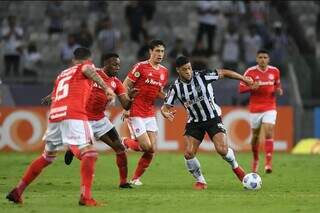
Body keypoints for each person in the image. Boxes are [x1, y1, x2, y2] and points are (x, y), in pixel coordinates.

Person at [6, 47, 115, 206]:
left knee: (47, 157)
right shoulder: (85, 66)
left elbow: (57, 93)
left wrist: (49, 97)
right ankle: (86, 197)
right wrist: (107, 88)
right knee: (90, 153)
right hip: (74, 114)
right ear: (88, 59)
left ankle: (18, 191)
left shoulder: (63, 74)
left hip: (55, 115)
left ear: (73, 60)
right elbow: (87, 68)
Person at [161, 56, 253, 190]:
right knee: (188, 153)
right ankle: (201, 180)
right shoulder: (175, 88)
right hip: (194, 122)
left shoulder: (202, 76)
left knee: (222, 150)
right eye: (185, 69)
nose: (188, 71)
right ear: (178, 70)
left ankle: (236, 167)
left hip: (212, 118)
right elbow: (165, 107)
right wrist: (165, 113)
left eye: (189, 68)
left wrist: (244, 79)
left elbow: (224, 72)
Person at [63, 53, 138, 188]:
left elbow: (125, 105)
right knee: (84, 155)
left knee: (120, 148)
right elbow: (71, 81)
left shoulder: (116, 82)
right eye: (114, 64)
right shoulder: (93, 73)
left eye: (119, 65)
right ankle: (72, 148)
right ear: (106, 63)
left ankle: (123, 182)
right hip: (83, 119)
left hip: (100, 119)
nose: (117, 67)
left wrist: (131, 98)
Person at [122, 40, 168, 186]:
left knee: (152, 149)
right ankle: (123, 142)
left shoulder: (164, 72)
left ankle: (135, 179)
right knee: (146, 146)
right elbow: (124, 85)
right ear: (150, 51)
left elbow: (158, 92)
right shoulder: (140, 67)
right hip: (135, 111)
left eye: (162, 51)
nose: (160, 54)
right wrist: (126, 107)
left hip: (149, 113)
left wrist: (168, 98)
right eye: (157, 51)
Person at [239, 49, 283, 174]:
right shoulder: (250, 72)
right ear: (256, 59)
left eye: (265, 57)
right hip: (255, 108)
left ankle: (268, 163)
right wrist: (251, 87)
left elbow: (277, 85)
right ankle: (256, 159)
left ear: (268, 59)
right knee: (255, 137)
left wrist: (279, 90)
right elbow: (241, 88)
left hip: (270, 106)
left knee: (269, 131)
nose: (263, 59)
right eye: (260, 57)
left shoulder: (275, 71)